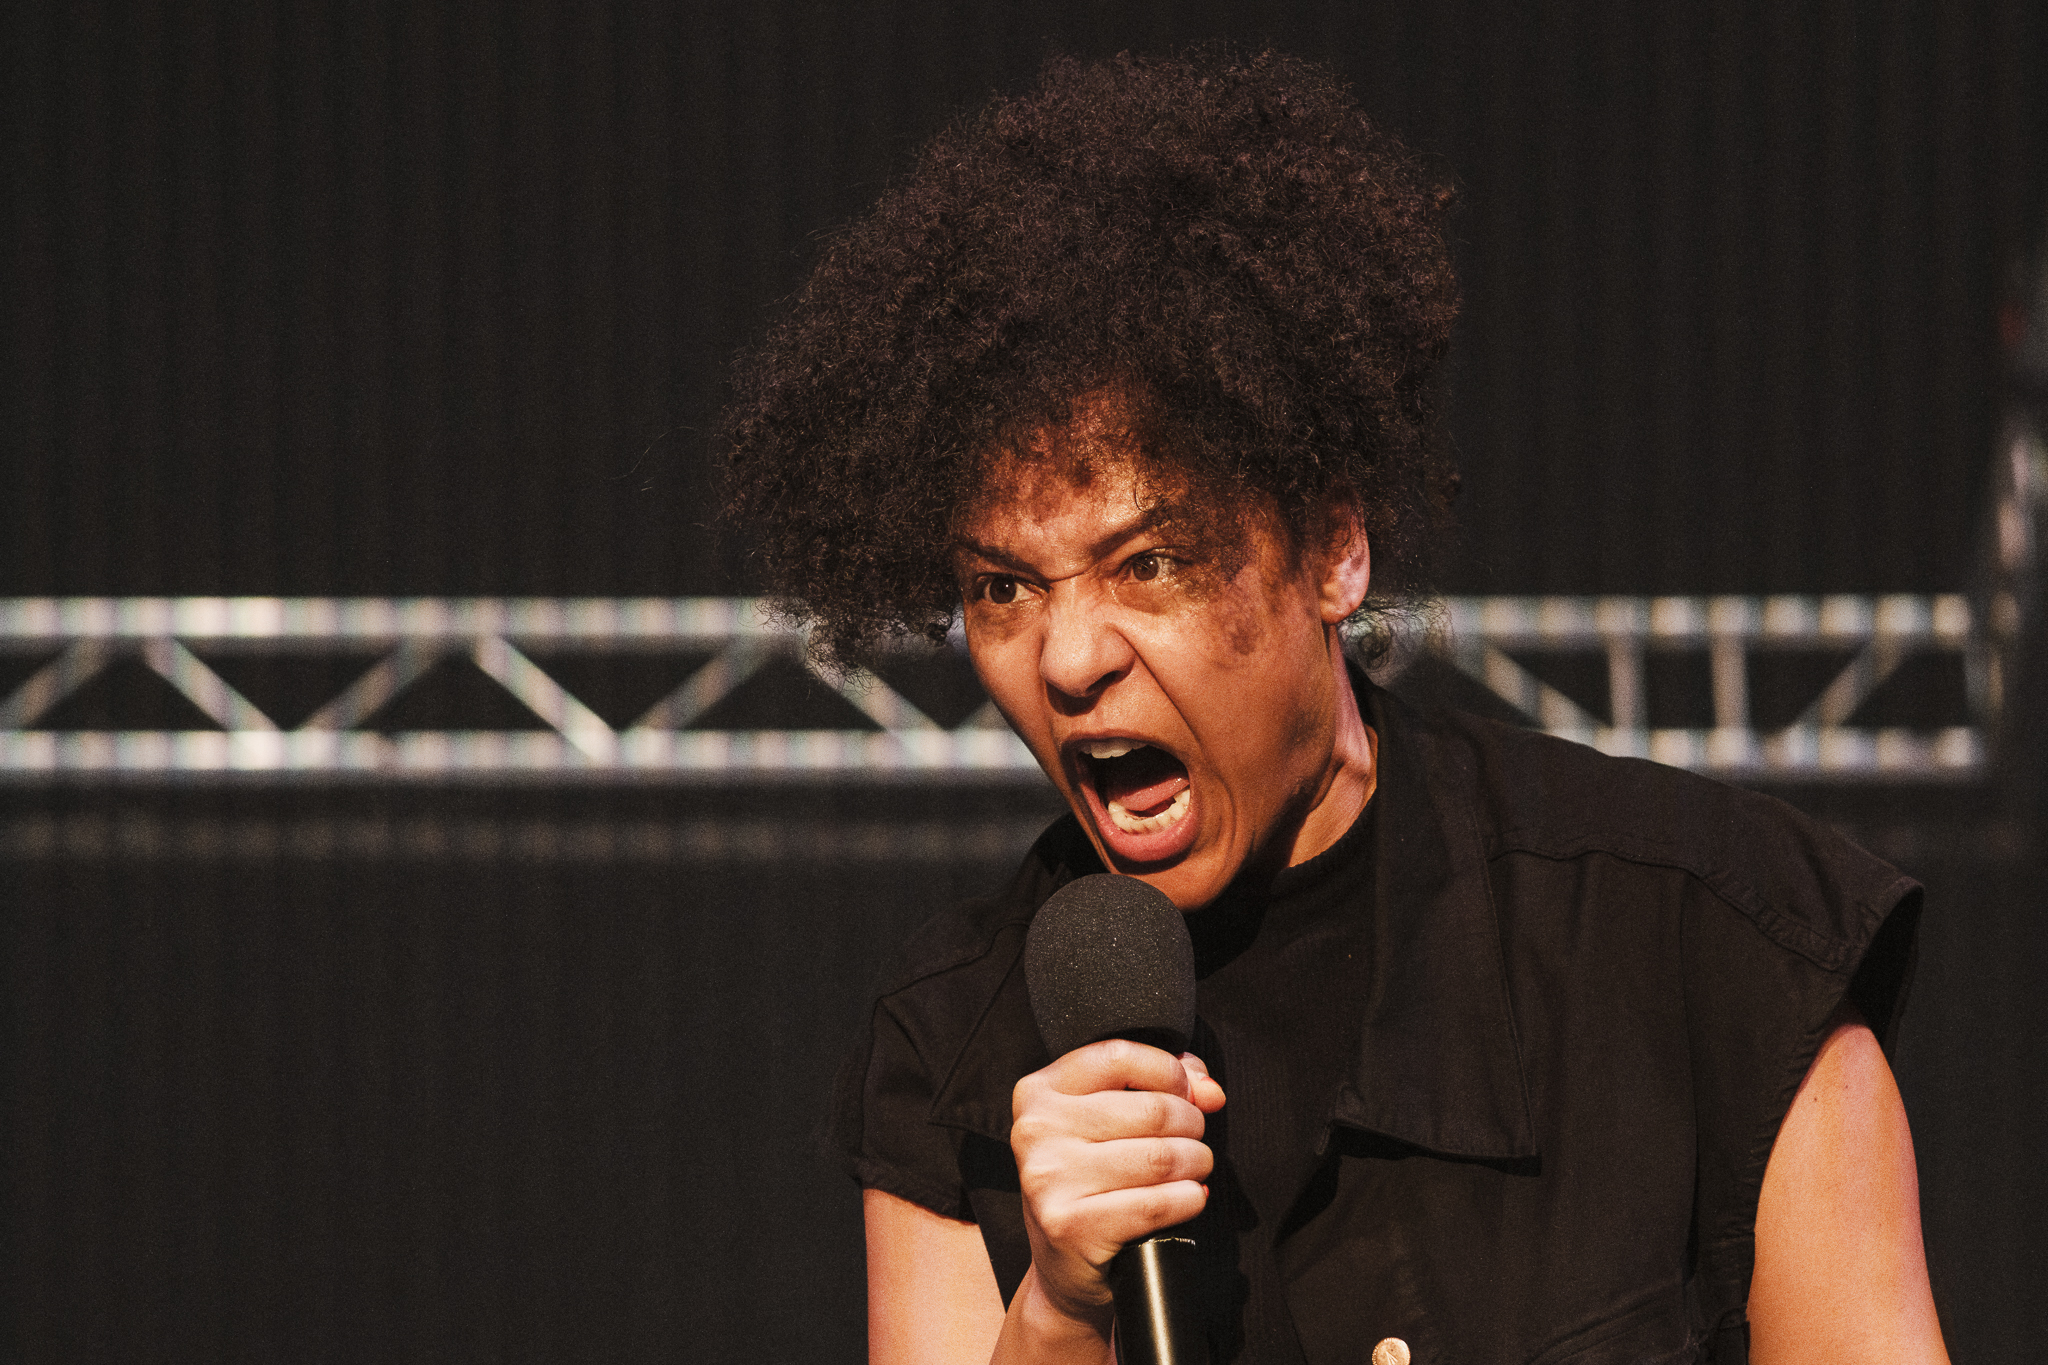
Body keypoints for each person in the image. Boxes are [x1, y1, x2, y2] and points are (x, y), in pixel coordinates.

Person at [724, 50, 1948, 1365]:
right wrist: (1060, 1316)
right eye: (1002, 585)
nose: (1071, 656)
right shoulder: (952, 1055)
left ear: (1331, 550)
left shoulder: (1711, 944)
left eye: (1152, 561)